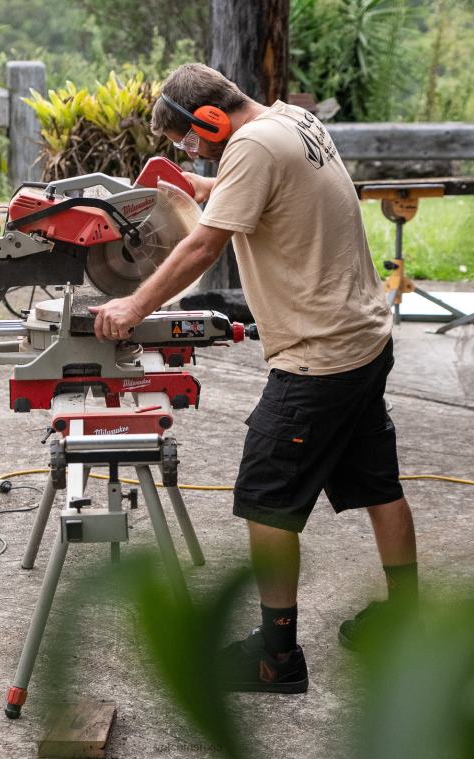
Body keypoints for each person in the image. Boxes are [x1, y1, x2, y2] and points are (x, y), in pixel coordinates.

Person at [93, 63, 418, 694]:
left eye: (191, 140)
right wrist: (201, 183)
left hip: (318, 358)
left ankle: (276, 658)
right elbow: (270, 182)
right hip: (363, 339)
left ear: (213, 118)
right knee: (380, 486)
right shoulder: (291, 120)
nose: (191, 150)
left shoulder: (250, 145)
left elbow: (202, 247)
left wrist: (133, 306)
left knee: (265, 501)